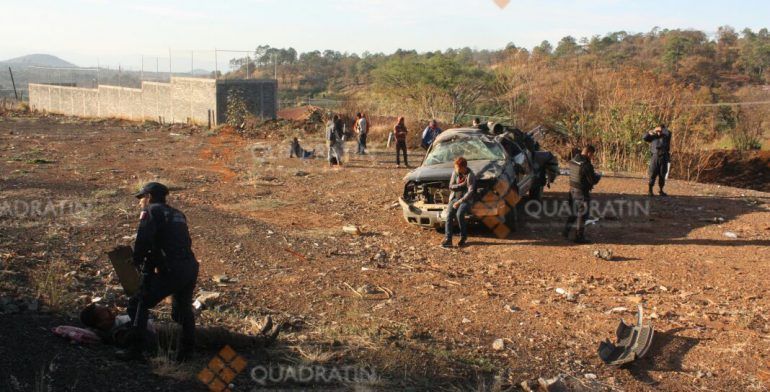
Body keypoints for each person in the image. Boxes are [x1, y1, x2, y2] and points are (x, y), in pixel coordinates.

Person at [121, 182, 199, 362]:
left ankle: (137, 350)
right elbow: (176, 240)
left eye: (141, 197)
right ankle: (187, 353)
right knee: (182, 310)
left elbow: (144, 238)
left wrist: (136, 260)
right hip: (189, 266)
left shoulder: (151, 211)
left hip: (173, 268)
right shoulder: (178, 214)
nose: (140, 201)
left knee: (138, 303)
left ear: (149, 196)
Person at [80, 303, 281, 352]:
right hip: (165, 336)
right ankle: (259, 341)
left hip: (164, 332)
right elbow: (141, 340)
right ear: (100, 322)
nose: (108, 310)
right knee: (216, 334)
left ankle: (252, 337)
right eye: (103, 312)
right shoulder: (116, 333)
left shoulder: (112, 327)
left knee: (211, 334)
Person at [562, 146, 601, 244]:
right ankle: (579, 236)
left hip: (572, 190)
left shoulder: (573, 160)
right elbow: (592, 181)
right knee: (582, 215)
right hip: (581, 192)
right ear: (589, 153)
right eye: (592, 155)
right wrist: (598, 176)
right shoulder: (586, 165)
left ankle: (566, 231)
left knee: (573, 212)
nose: (592, 157)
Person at [442, 157, 476, 249]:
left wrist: (459, 202)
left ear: (463, 167)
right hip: (455, 198)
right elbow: (451, 186)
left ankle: (463, 237)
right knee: (449, 214)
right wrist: (462, 185)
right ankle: (448, 239)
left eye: (457, 167)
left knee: (459, 214)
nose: (456, 169)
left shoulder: (470, 175)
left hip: (465, 200)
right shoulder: (455, 173)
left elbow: (470, 192)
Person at [643, 124, 672, 196]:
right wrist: (653, 131)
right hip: (655, 156)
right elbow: (644, 137)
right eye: (658, 130)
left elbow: (668, 132)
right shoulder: (653, 137)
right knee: (652, 173)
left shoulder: (666, 136)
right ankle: (650, 190)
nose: (659, 132)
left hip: (664, 156)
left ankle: (661, 190)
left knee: (662, 174)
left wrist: (662, 129)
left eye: (660, 130)